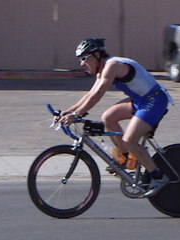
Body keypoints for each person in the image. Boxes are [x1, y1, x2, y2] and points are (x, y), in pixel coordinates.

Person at [58, 38, 173, 197]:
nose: (82, 63)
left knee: (129, 140)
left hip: (154, 100)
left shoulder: (112, 66)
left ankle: (158, 177)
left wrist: (76, 115)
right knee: (108, 117)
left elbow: (97, 95)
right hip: (141, 100)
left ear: (97, 55)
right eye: (80, 59)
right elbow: (90, 94)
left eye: (84, 58)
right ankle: (127, 159)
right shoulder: (103, 69)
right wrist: (69, 111)